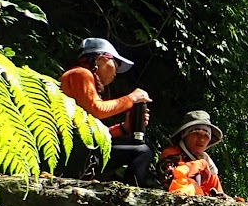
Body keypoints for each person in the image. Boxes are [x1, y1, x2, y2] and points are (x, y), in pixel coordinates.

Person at [57, 37, 153, 186]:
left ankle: (130, 192)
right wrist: (131, 98)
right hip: (73, 151)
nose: (116, 71)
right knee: (141, 152)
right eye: (116, 63)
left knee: (140, 151)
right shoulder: (80, 73)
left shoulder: (81, 78)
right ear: (101, 59)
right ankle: (133, 193)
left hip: (78, 150)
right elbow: (97, 110)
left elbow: (93, 134)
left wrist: (124, 128)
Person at [158, 110, 225, 197]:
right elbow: (173, 178)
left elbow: (219, 194)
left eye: (206, 135)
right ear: (184, 135)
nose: (201, 139)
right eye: (196, 133)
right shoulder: (171, 154)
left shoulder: (208, 164)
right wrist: (199, 165)